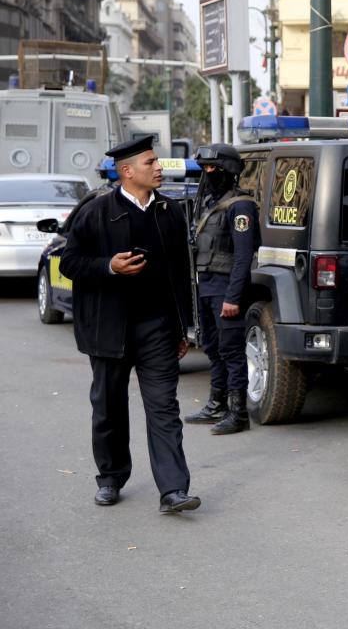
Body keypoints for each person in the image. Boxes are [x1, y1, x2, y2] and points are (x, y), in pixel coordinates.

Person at [60, 136, 200, 513]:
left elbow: (180, 274)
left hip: (157, 328)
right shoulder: (96, 211)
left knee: (164, 407)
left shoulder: (170, 211)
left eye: (158, 162)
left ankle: (173, 490)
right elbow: (69, 263)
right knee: (108, 407)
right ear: (126, 171)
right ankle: (110, 477)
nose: (159, 168)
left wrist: (181, 328)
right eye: (151, 162)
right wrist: (109, 267)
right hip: (108, 329)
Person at [184, 144, 260, 435]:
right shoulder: (210, 202)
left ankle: (238, 413)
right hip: (206, 286)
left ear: (227, 170)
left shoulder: (240, 206)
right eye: (204, 168)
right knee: (213, 348)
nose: (207, 173)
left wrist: (233, 297)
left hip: (225, 288)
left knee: (231, 351)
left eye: (212, 168)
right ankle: (217, 403)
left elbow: (243, 256)